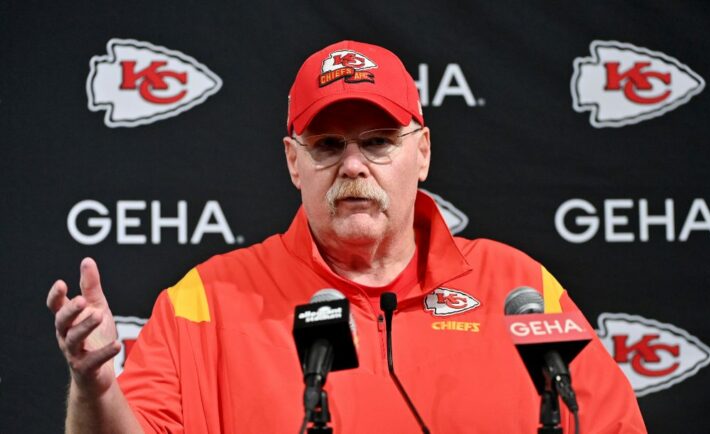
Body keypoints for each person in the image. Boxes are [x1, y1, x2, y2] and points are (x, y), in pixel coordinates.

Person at [47, 40, 646, 433]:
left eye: (379, 142)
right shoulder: (204, 302)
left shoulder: (521, 288)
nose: (353, 165)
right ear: (293, 162)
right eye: (328, 145)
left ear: (423, 152)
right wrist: (94, 389)